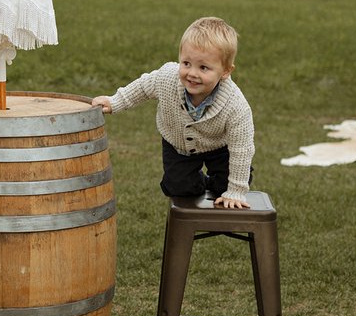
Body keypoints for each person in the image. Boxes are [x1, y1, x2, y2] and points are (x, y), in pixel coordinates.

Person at [91, 16, 254, 209]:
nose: (192, 73)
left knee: (225, 187)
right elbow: (143, 87)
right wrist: (114, 101)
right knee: (178, 187)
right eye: (186, 63)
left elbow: (242, 149)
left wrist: (236, 190)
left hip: (219, 147)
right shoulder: (167, 78)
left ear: (226, 71)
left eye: (203, 67)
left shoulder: (236, 106)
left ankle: (218, 183)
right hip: (177, 143)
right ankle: (196, 181)